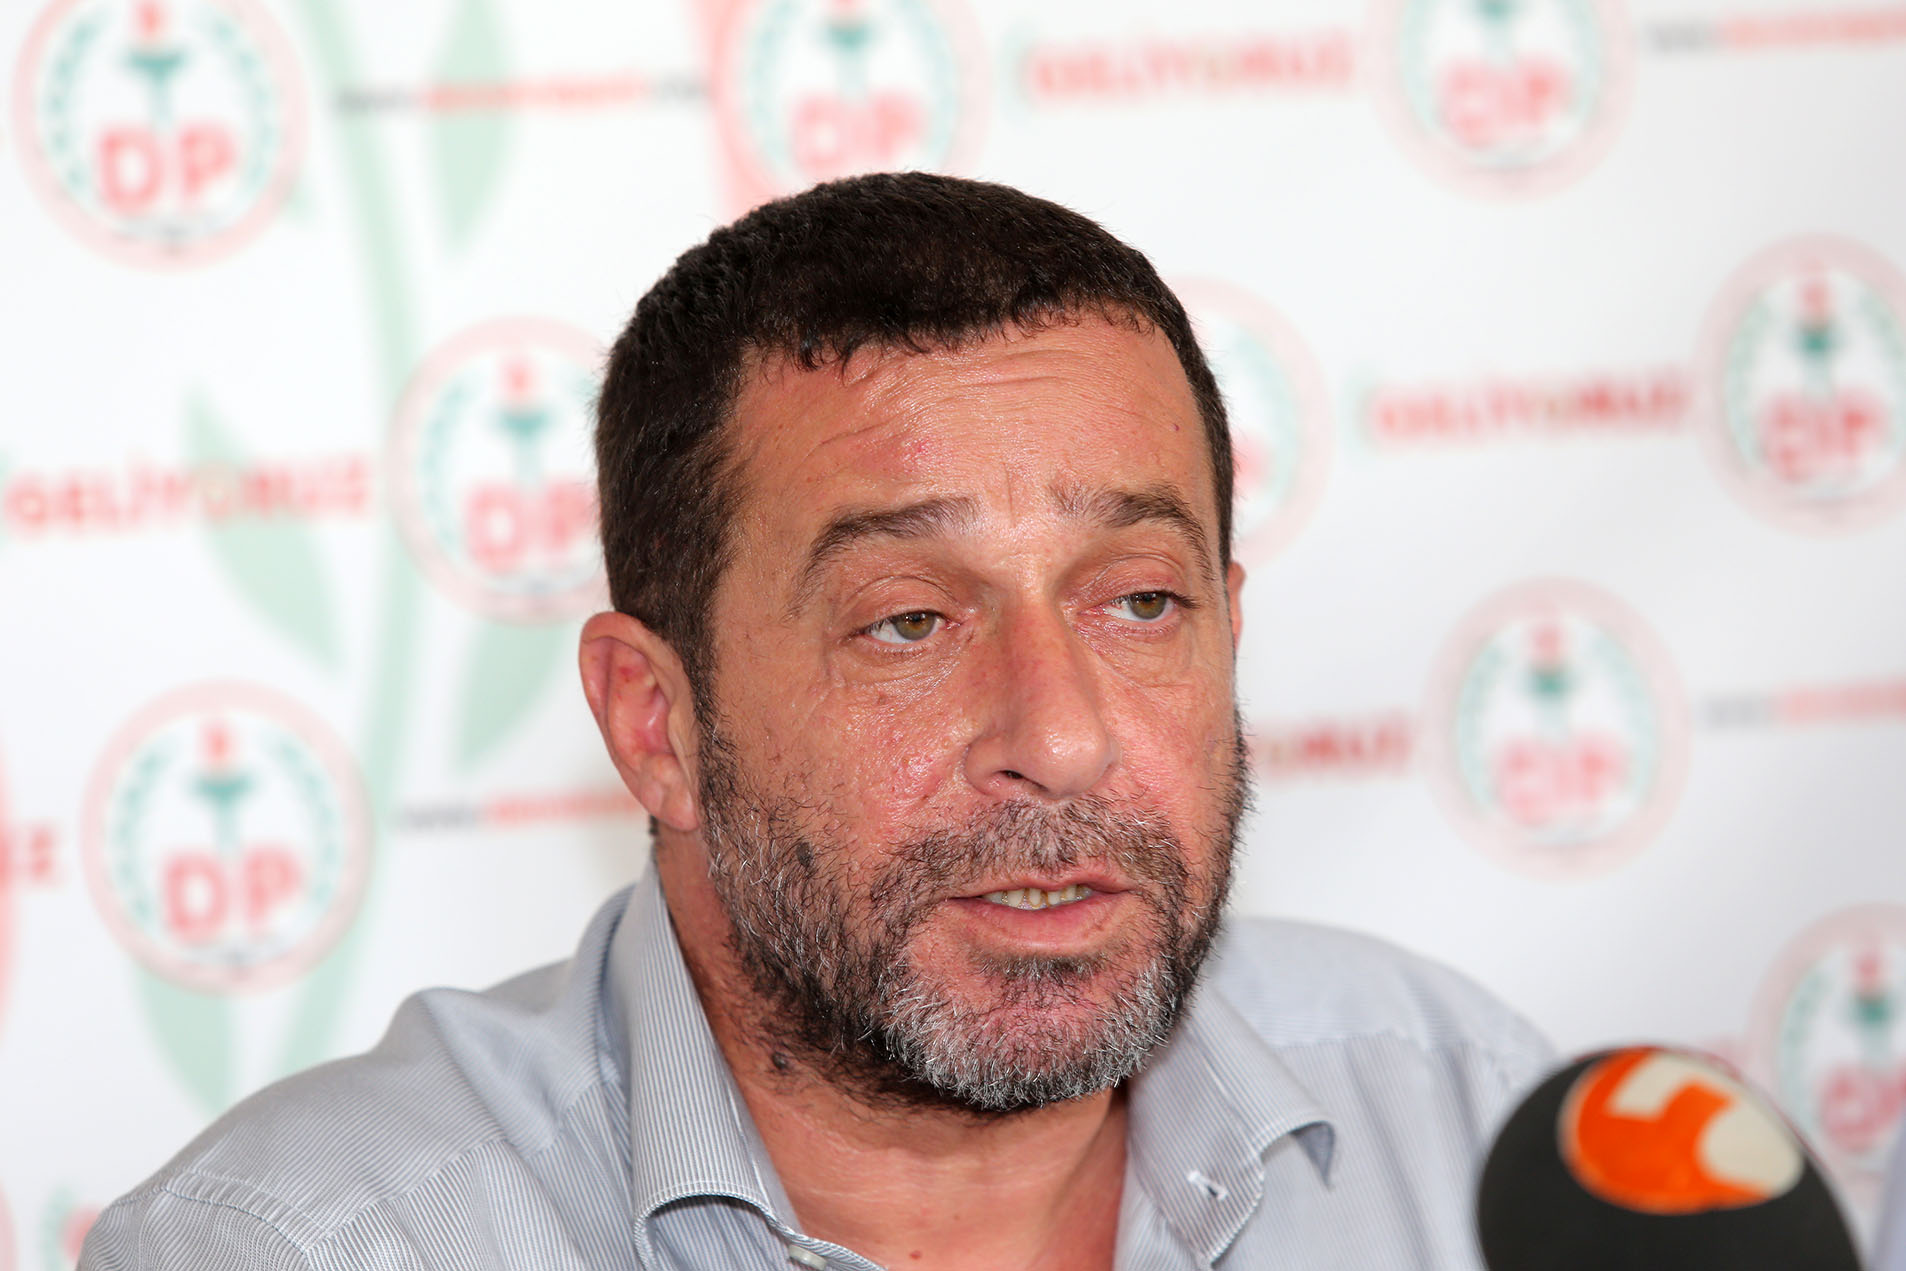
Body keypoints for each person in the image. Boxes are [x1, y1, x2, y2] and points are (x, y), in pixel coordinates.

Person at [82, 172, 1550, 1271]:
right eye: (909, 621)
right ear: (655, 725)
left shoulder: (1464, 1127)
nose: (1062, 736)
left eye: (1140, 602)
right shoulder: (307, 1247)